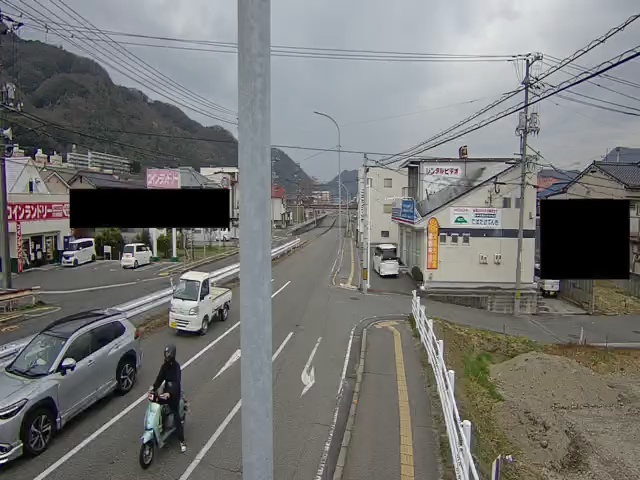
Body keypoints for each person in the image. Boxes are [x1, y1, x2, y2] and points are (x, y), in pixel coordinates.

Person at [152, 343, 186, 452]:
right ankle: (160, 429)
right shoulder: (164, 366)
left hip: (174, 394)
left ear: (172, 355)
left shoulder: (176, 367)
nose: (166, 356)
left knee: (176, 415)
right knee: (156, 407)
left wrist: (169, 393)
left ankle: (181, 441)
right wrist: (153, 388)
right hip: (165, 391)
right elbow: (159, 378)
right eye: (166, 354)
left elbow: (176, 383)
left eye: (168, 354)